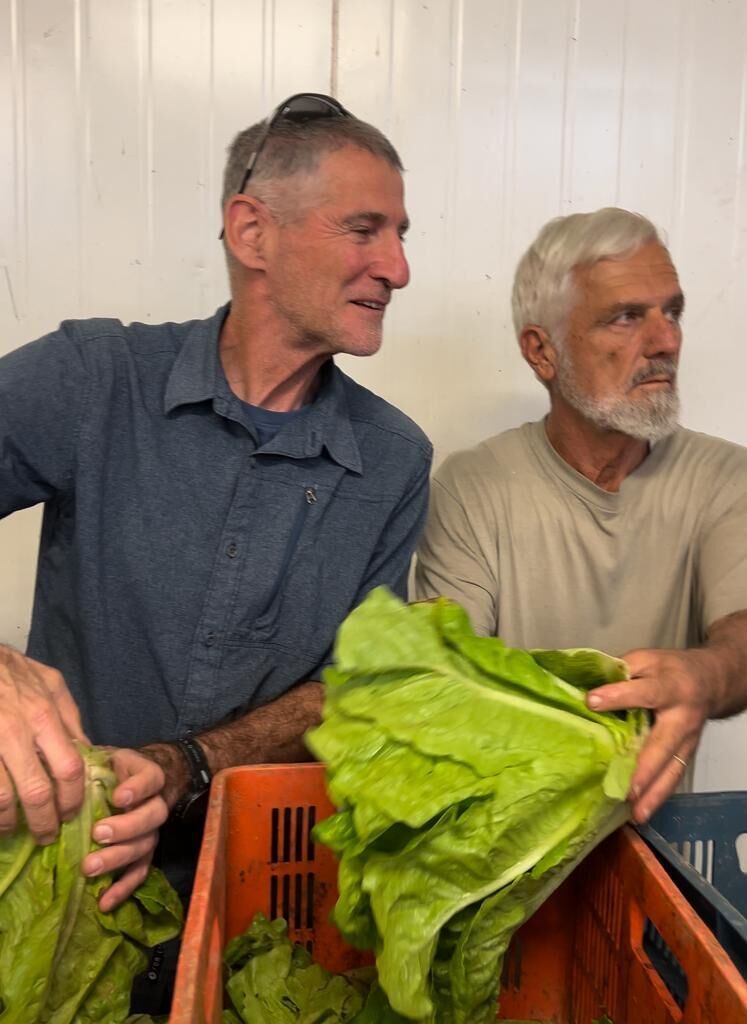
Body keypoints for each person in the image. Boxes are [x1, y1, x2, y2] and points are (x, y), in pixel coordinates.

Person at [0, 93, 431, 1008]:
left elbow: (351, 684)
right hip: (52, 884)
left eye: (400, 235)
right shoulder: (93, 379)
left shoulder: (394, 459)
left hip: (261, 912)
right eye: (364, 229)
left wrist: (188, 764)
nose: (396, 267)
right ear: (251, 230)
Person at [415, 206, 747, 825]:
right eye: (626, 317)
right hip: (507, 843)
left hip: (657, 851)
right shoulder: (473, 488)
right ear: (542, 352)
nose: (666, 341)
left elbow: (742, 637)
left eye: (672, 312)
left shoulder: (727, 478)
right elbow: (445, 682)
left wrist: (705, 674)